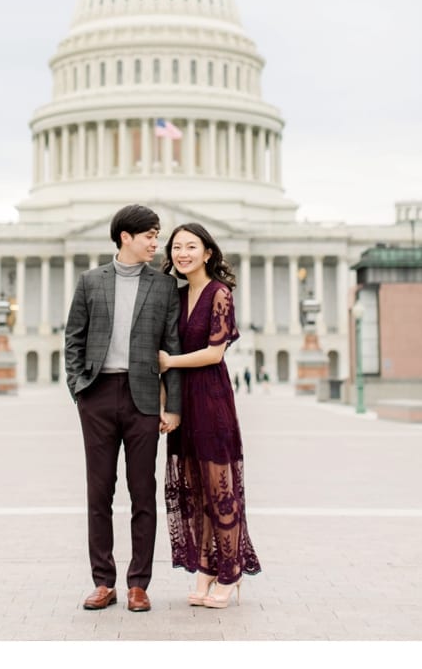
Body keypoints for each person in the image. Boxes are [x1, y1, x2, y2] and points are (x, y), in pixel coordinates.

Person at [64, 204, 183, 613]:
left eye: (157, 234)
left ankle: (138, 584)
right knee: (98, 492)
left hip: (144, 397)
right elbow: (73, 339)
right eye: (149, 235)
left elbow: (173, 347)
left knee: (142, 493)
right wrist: (79, 389)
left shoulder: (164, 287)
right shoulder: (90, 281)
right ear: (124, 238)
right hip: (98, 394)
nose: (156, 242)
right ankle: (102, 581)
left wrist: (174, 406)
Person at [158, 222, 263, 607]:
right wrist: (168, 405)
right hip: (186, 399)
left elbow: (215, 352)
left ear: (207, 253)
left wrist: (170, 361)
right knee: (196, 490)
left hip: (211, 396)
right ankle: (205, 568)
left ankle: (230, 572)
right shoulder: (178, 295)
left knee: (221, 490)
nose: (182, 253)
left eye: (191, 246)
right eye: (176, 247)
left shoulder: (220, 293)